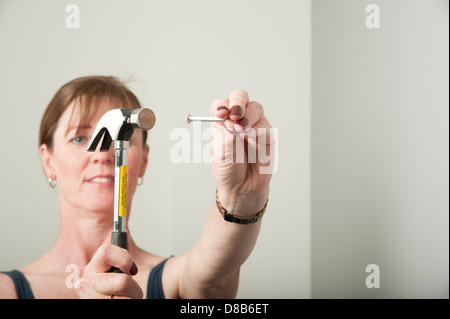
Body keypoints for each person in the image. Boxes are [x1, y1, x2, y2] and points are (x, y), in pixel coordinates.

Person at [0, 75, 274, 299]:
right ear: (48, 161)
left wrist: (241, 197)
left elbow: (214, 275)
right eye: (79, 138)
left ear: (143, 159)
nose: (103, 152)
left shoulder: (172, 282)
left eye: (123, 138)